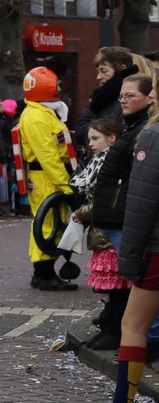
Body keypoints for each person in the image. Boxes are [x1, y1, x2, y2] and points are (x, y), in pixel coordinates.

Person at [77, 102, 159, 403]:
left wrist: (130, 257)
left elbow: (141, 205)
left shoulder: (153, 136)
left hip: (157, 250)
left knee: (133, 326)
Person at [82, 75, 155, 327]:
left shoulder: (143, 132)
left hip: (124, 217)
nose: (123, 100)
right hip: (116, 217)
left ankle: (144, 335)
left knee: (139, 282)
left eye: (130, 95)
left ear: (149, 99)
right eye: (121, 95)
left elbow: (140, 183)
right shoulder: (131, 127)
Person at [72, 118, 127, 350]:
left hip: (110, 233)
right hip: (102, 231)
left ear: (112, 138)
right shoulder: (96, 162)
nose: (91, 144)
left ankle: (115, 331)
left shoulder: (110, 163)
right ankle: (110, 328)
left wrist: (82, 213)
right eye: (89, 139)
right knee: (114, 288)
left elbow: (104, 199)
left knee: (118, 287)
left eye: (96, 138)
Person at [21, 67, 77, 291]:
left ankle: (44, 272)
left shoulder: (44, 112)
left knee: (54, 221)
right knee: (47, 223)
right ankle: (44, 274)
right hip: (47, 176)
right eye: (57, 85)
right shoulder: (36, 116)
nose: (60, 89)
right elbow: (47, 155)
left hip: (51, 175)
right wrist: (66, 184)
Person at [73, 47, 140, 150]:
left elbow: (84, 134)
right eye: (98, 72)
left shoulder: (115, 101)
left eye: (104, 71)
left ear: (122, 68)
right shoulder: (102, 98)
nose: (99, 77)